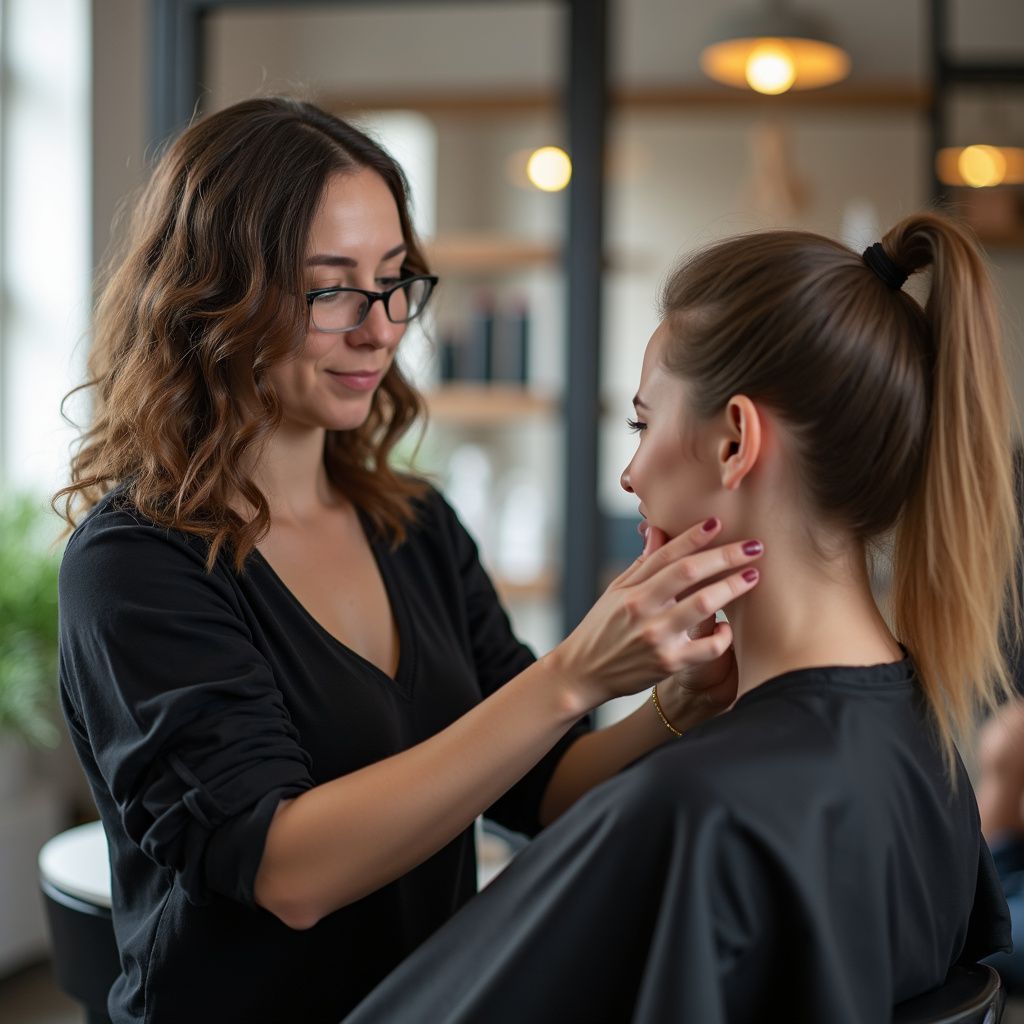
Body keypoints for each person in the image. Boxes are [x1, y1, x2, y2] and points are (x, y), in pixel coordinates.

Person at [53, 97, 766, 1024]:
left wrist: (672, 706)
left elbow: (541, 790)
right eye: (333, 287)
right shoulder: (135, 565)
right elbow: (286, 869)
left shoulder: (416, 525)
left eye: (395, 281)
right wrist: (570, 675)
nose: (381, 327)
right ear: (215, 295)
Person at [345, 213, 1017, 1024]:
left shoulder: (697, 811)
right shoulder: (929, 744)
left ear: (736, 441)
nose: (629, 474)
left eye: (642, 422)